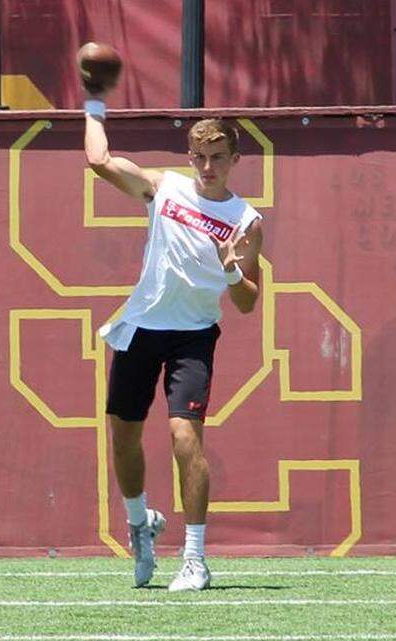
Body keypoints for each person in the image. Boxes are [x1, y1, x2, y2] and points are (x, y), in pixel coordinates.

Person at [82, 92, 264, 591]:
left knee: (185, 437)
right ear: (190, 159)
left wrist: (229, 271)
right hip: (141, 328)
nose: (208, 167)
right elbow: (99, 161)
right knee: (124, 438)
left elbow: (248, 302)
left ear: (234, 161)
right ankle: (141, 524)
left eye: (218, 158)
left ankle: (195, 559)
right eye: (200, 157)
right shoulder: (165, 189)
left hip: (194, 338)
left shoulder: (247, 222)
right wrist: (93, 105)